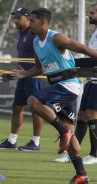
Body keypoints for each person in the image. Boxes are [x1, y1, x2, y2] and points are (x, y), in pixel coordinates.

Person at [11, 8, 95, 183]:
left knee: (33, 100)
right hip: (57, 86)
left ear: (43, 22)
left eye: (32, 20)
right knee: (71, 140)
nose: (29, 23)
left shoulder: (56, 38)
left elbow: (84, 49)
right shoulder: (36, 42)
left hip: (69, 85)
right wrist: (24, 74)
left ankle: (64, 133)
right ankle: (82, 174)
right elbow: (39, 68)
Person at [0, 7, 46, 151]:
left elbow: (41, 57)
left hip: (34, 77)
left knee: (36, 109)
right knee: (17, 107)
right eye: (15, 18)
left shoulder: (33, 34)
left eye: (19, 17)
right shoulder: (21, 34)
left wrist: (31, 72)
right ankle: (12, 141)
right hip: (22, 76)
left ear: (28, 18)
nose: (15, 20)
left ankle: (35, 142)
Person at [55, 3, 97, 165]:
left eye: (92, 12)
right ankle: (74, 152)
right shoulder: (95, 32)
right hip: (91, 78)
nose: (89, 15)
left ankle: (94, 155)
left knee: (93, 115)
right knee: (82, 116)